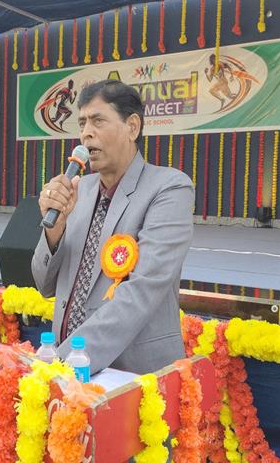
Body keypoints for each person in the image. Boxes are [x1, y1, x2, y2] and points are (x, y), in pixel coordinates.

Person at [31, 79, 194, 375]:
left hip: (131, 376)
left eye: (98, 121)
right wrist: (55, 230)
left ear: (132, 127)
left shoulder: (169, 188)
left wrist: (65, 363)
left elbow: (142, 291)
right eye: (82, 123)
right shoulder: (79, 189)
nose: (86, 132)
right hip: (67, 372)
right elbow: (45, 286)